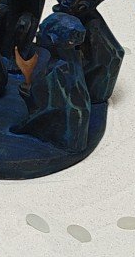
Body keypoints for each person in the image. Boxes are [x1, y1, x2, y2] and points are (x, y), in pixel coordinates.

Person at [11, 12, 90, 153]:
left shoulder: (58, 70)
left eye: (41, 32)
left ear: (52, 39)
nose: (37, 35)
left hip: (66, 135)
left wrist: (24, 124)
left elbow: (49, 109)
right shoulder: (72, 58)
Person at [54, 0, 124, 103]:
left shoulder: (92, 28)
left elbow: (105, 59)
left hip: (94, 88)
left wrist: (71, 75)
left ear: (82, 7)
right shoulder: (79, 19)